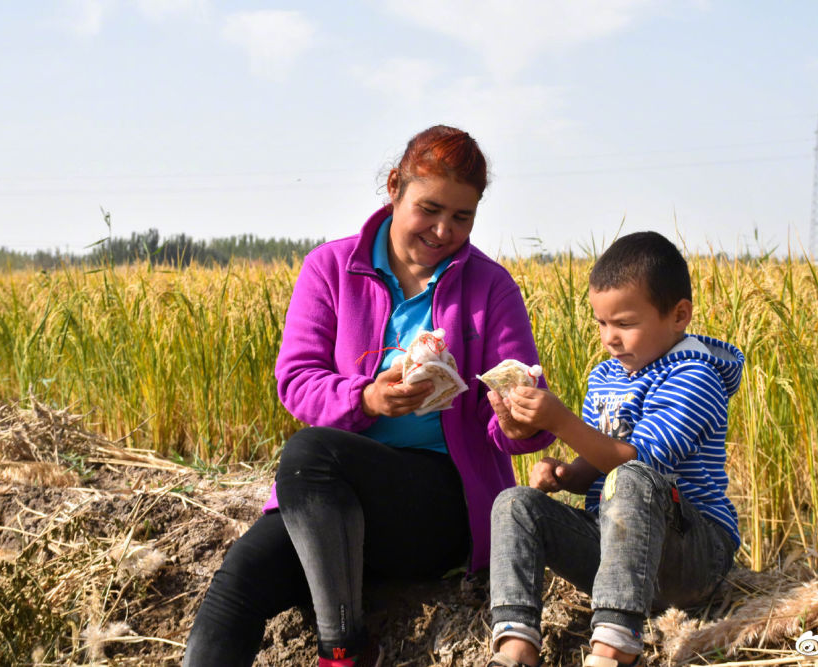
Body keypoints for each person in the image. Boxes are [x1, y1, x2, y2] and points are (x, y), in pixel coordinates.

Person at [183, 125, 554, 667]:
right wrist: (368, 401)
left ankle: (343, 649)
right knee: (236, 588)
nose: (443, 230)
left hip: (439, 505)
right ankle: (344, 642)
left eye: (462, 216)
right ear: (394, 187)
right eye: (429, 208)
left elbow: (515, 409)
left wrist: (519, 423)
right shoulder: (330, 268)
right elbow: (297, 380)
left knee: (311, 451)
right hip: (329, 503)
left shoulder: (490, 287)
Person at [485, 231, 744, 667]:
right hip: (616, 552)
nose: (610, 338)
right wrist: (568, 474)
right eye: (601, 323)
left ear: (679, 315)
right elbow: (603, 456)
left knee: (634, 478)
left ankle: (614, 645)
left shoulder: (696, 376)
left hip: (691, 557)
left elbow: (641, 463)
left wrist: (561, 422)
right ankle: (516, 646)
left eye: (625, 324)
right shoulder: (606, 377)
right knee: (514, 504)